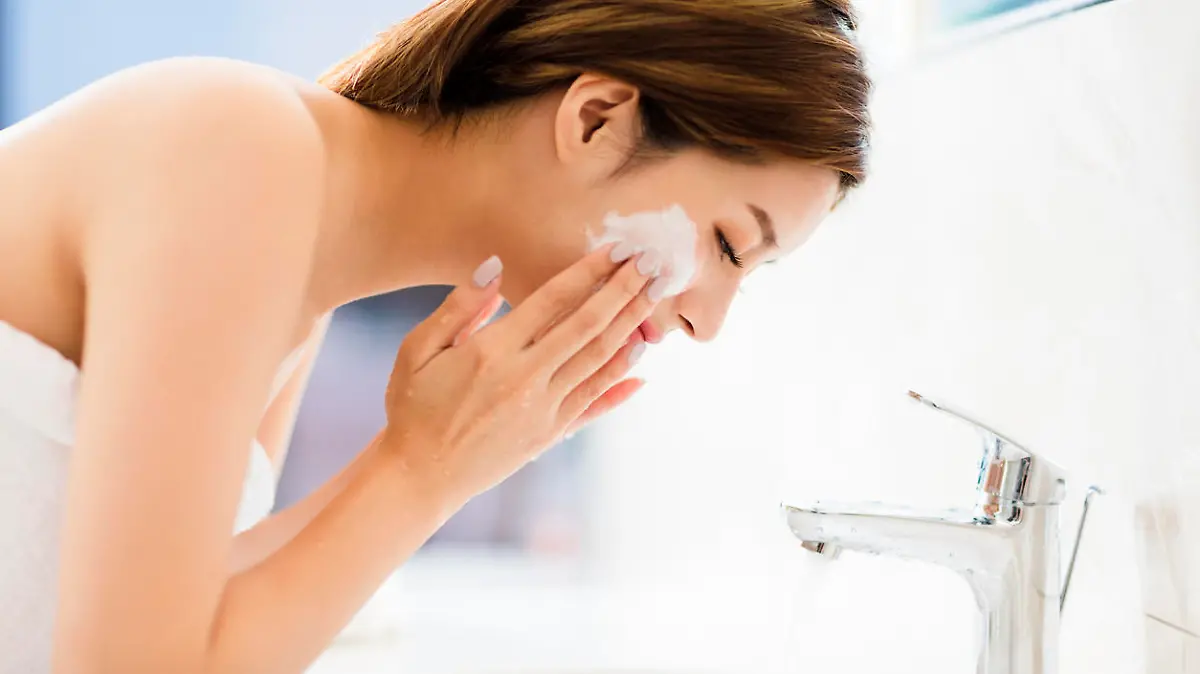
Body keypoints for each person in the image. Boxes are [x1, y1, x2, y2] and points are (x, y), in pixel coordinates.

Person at [0, 0, 871, 671]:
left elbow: (182, 615)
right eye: (727, 246)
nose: (706, 321)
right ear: (596, 120)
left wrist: (437, 460)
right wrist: (421, 470)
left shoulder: (304, 274)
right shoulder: (240, 150)